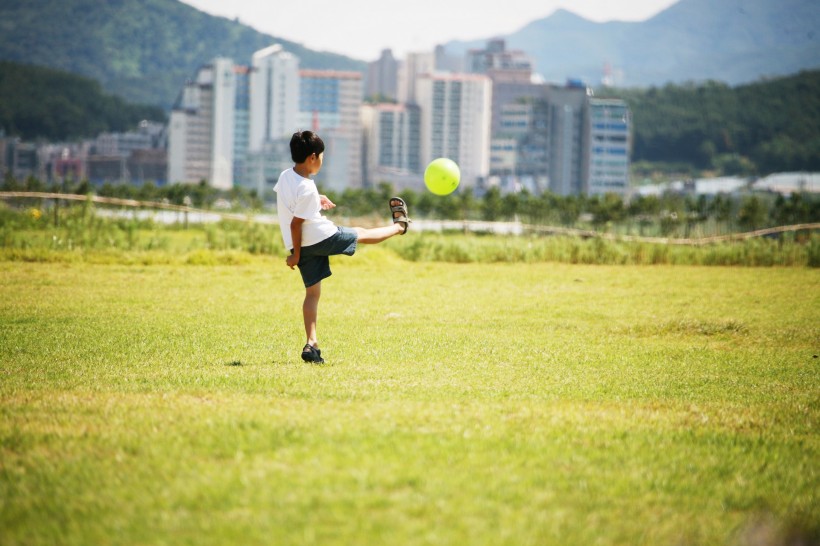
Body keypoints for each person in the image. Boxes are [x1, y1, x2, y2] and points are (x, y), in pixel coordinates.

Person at [274, 130, 411, 364]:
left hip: (303, 246)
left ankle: (312, 344)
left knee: (312, 293)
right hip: (319, 237)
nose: (322, 161)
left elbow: (292, 202)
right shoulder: (307, 187)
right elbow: (296, 223)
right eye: (322, 157)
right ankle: (400, 226)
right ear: (313, 157)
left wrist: (317, 199)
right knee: (363, 233)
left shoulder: (286, 176)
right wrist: (295, 256)